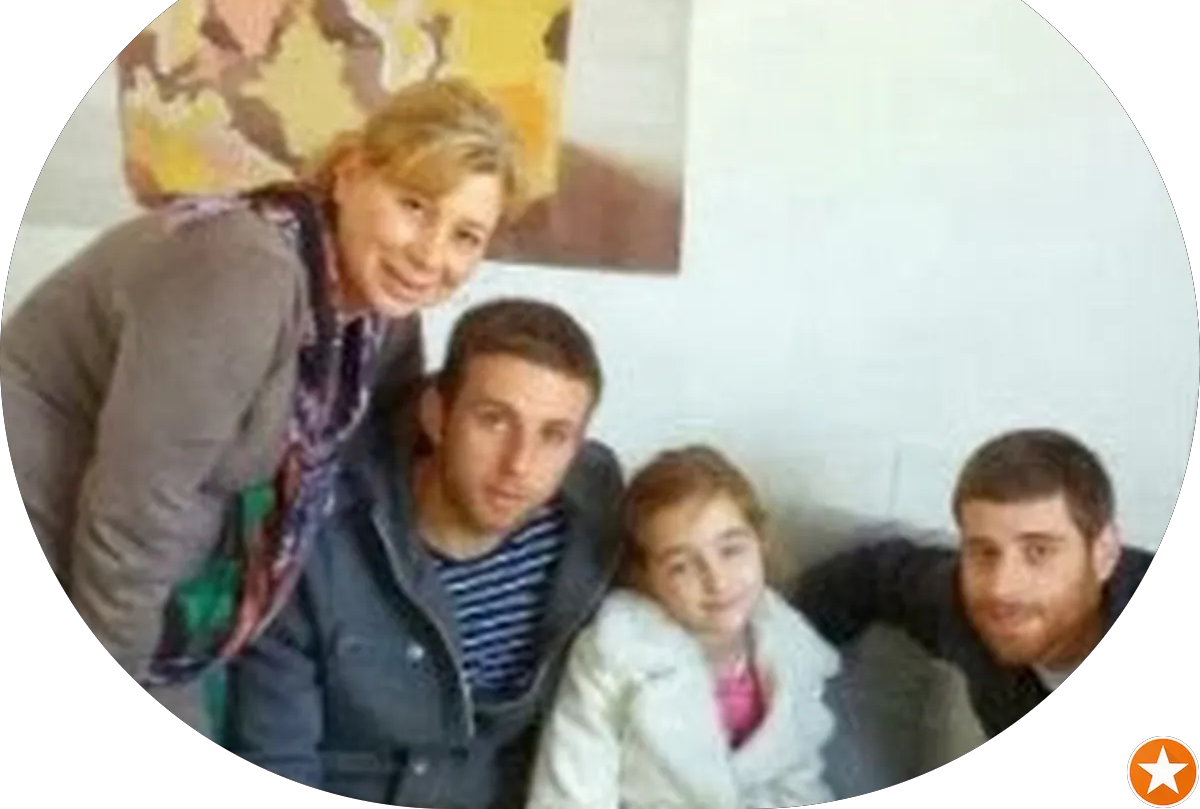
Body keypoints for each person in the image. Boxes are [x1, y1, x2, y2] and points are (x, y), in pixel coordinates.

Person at [0, 77, 526, 739]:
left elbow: (390, 452)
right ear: (351, 174)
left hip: (161, 575)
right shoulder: (242, 273)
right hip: (65, 521)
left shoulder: (376, 320)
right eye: (415, 206)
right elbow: (135, 514)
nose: (430, 255)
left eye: (466, 236)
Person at [224, 298, 625, 809]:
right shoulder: (318, 538)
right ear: (436, 414)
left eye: (554, 435)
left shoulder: (596, 516)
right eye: (494, 420)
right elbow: (276, 751)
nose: (519, 464)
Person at [525, 445, 842, 809]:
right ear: (645, 577)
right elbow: (572, 788)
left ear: (761, 541)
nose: (717, 580)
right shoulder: (612, 655)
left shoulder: (793, 652)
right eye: (681, 566)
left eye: (731, 550)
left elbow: (800, 782)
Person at [792, 427, 1156, 737]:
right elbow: (869, 577)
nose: (1001, 587)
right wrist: (773, 663)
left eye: (1039, 551)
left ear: (1104, 554)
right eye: (984, 551)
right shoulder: (959, 603)